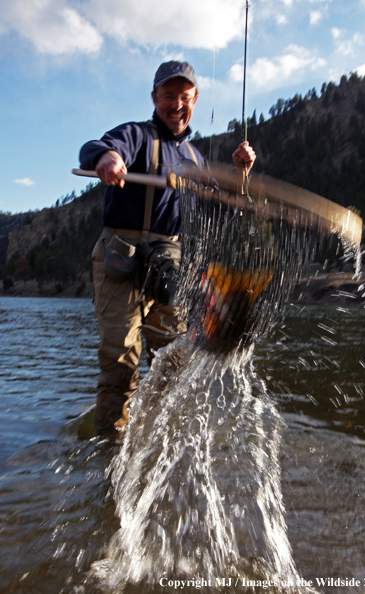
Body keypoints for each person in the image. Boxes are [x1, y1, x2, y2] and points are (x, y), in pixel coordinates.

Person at [79, 60, 256, 433]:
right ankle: (109, 444)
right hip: (119, 260)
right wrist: (107, 159)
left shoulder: (196, 159)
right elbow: (94, 147)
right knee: (120, 361)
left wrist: (241, 175)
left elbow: (223, 209)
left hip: (168, 266)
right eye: (169, 96)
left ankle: (154, 436)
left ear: (195, 101)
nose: (177, 105)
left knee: (172, 362)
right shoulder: (134, 135)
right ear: (154, 97)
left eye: (185, 97)